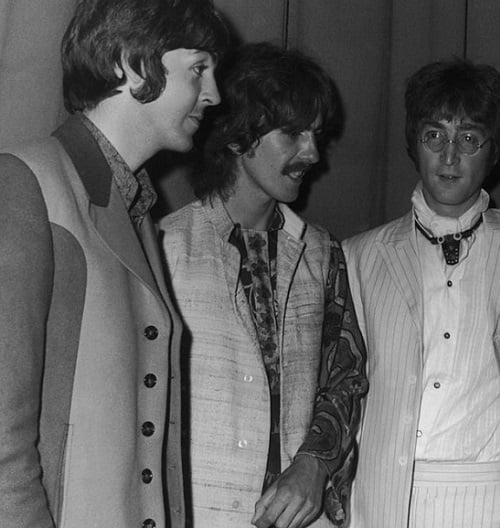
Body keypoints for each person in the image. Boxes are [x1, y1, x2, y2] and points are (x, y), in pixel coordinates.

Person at [0, 0, 227, 526]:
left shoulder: (137, 207)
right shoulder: (25, 185)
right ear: (131, 63)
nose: (214, 94)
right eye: (198, 69)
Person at [342, 59, 500, 528]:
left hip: (495, 490)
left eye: (468, 138)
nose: (449, 156)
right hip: (387, 494)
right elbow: (345, 374)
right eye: (434, 136)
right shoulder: (359, 255)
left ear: (493, 152)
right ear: (414, 143)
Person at [159, 42, 368, 528]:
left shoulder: (320, 252)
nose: (312, 153)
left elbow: (346, 376)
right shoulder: (165, 248)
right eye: (293, 133)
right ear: (236, 136)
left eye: (316, 135)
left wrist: (314, 464)